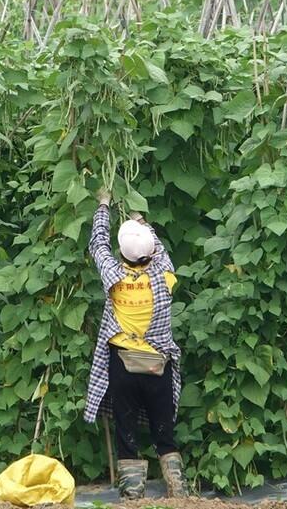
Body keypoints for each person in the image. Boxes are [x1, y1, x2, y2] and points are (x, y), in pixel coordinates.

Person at [83, 189, 186, 499]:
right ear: (151, 251)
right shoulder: (162, 275)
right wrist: (141, 219)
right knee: (163, 430)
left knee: (126, 429)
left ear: (122, 252)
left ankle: (132, 495)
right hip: (158, 366)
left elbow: (98, 244)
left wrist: (104, 204)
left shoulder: (113, 275)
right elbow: (162, 251)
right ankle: (179, 491)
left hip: (123, 365)